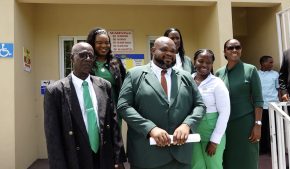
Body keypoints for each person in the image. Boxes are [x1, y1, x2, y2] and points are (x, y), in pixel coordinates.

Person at [117, 36, 206, 169]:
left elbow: (200, 105)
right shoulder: (135, 74)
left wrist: (187, 125)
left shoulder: (186, 76)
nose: (169, 53)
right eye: (164, 49)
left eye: (173, 50)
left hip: (180, 156)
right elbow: (123, 106)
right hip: (146, 155)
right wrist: (150, 128)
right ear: (153, 50)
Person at [44, 42, 125, 169]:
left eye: (91, 56)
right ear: (72, 58)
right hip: (74, 159)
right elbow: (53, 136)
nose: (87, 59)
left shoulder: (104, 86)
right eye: (82, 55)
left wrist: (118, 158)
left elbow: (113, 123)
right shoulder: (55, 91)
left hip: (103, 157)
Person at [215, 39, 263, 169]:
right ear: (225, 51)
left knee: (247, 160)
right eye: (230, 48)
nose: (234, 50)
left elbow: (258, 100)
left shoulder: (250, 70)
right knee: (227, 161)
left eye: (238, 47)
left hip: (245, 125)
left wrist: (257, 125)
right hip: (224, 126)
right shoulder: (219, 73)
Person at [191, 49, 230, 169]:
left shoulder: (217, 83)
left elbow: (224, 113)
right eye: (200, 61)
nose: (204, 65)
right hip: (191, 129)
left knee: (213, 166)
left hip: (211, 129)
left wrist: (215, 140)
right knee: (196, 166)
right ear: (194, 62)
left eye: (208, 62)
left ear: (212, 64)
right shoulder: (187, 80)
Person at [86, 27, 126, 106]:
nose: (104, 45)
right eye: (99, 43)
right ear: (92, 44)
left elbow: (125, 85)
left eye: (107, 42)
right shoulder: (87, 62)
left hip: (114, 110)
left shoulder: (116, 62)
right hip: (93, 108)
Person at [258, 55, 280, 155]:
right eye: (270, 62)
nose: (272, 64)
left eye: (272, 62)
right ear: (263, 63)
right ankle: (262, 149)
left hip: (274, 106)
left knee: (274, 128)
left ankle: (273, 150)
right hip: (261, 107)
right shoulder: (256, 74)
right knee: (262, 129)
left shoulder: (275, 74)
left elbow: (279, 89)